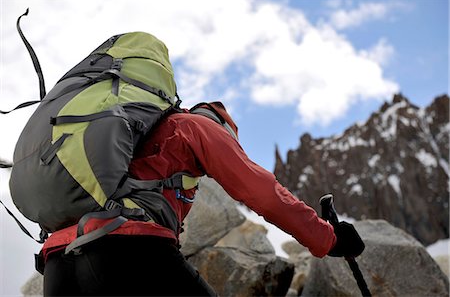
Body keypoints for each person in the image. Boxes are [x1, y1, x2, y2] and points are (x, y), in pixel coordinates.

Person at [40, 100, 364, 296]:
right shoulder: (195, 127)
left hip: (59, 263)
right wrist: (329, 238)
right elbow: (263, 192)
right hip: (129, 250)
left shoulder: (137, 137)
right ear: (224, 126)